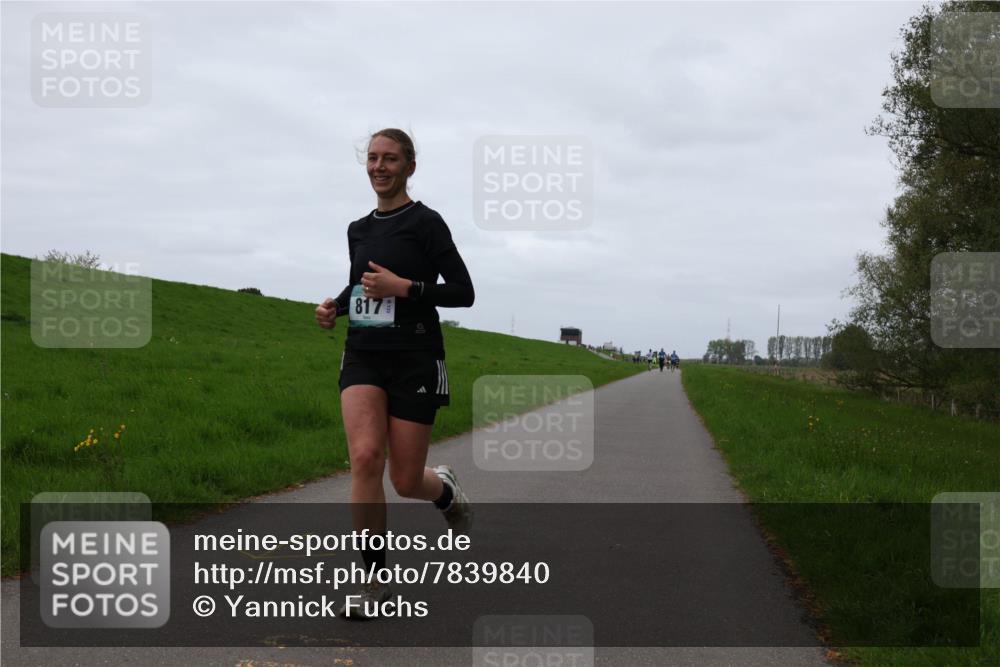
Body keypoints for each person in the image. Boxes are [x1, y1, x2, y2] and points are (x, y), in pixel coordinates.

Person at [314, 128, 475, 619]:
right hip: (364, 353)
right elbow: (360, 285)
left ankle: (443, 488)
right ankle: (374, 584)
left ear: (409, 166)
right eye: (372, 158)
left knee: (406, 480)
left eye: (390, 159)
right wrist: (335, 307)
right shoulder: (357, 229)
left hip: (416, 357)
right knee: (365, 458)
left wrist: (404, 287)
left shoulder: (427, 223)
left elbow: (463, 292)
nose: (379, 166)